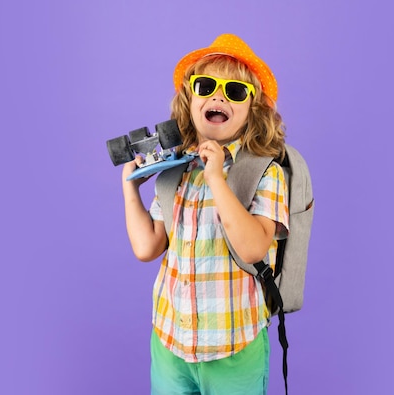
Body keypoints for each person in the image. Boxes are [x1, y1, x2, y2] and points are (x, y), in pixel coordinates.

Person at [121, 33, 289, 395]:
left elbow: (254, 249)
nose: (219, 96)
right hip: (171, 343)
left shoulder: (265, 171)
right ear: (190, 98)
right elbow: (147, 246)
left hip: (234, 346)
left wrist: (217, 178)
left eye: (235, 91)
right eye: (207, 85)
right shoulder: (176, 169)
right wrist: (129, 188)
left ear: (252, 108)